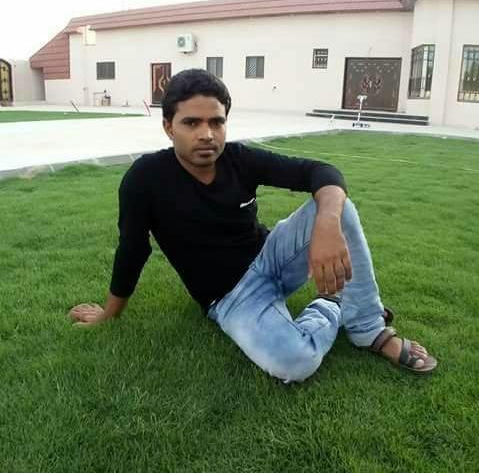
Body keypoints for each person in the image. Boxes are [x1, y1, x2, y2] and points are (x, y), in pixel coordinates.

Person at [69, 69, 437, 382]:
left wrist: (326, 224)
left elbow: (319, 171)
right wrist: (109, 313)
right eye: (192, 123)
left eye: (216, 122)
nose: (207, 134)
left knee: (336, 205)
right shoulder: (145, 179)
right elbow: (133, 249)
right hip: (231, 296)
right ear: (168, 127)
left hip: (273, 257)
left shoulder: (238, 158)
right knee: (296, 363)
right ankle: (332, 304)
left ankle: (369, 328)